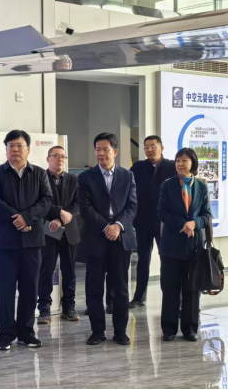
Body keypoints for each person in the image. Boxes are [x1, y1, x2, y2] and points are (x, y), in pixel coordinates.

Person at [0, 130, 53, 351]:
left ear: (28, 149)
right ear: (6, 149)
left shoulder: (39, 173)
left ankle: (26, 333)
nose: (15, 149)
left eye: (19, 145)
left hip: (33, 242)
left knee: (30, 289)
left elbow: (47, 200)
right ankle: (5, 334)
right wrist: (17, 218)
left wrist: (27, 217)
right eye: (11, 146)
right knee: (5, 290)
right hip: (6, 242)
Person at [79, 133, 137, 346]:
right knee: (94, 288)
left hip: (121, 238)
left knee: (120, 287)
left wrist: (118, 226)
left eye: (105, 149)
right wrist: (106, 227)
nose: (101, 153)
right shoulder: (86, 177)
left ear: (115, 152)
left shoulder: (127, 176)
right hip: (96, 237)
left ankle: (120, 331)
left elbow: (132, 206)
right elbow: (85, 208)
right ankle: (98, 331)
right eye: (98, 149)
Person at [158, 148, 212, 342]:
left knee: (192, 290)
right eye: (178, 160)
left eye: (185, 160)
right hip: (171, 246)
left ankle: (190, 328)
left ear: (193, 163)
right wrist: (184, 224)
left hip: (194, 248)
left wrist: (194, 223)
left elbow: (206, 214)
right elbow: (162, 212)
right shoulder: (167, 185)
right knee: (170, 289)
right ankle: (169, 328)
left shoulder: (202, 187)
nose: (180, 164)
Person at [129, 135, 176, 308]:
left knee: (166, 259)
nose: (149, 150)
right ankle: (139, 297)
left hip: (164, 222)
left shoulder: (172, 166)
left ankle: (168, 296)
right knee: (143, 258)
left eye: (153, 146)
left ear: (161, 148)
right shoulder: (138, 167)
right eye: (146, 147)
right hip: (143, 221)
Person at [37, 146, 81, 324]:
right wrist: (55, 216)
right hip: (48, 231)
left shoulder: (74, 179)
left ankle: (68, 307)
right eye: (56, 156)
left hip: (69, 231)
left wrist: (61, 219)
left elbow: (78, 204)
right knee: (46, 271)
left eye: (63, 156)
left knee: (69, 271)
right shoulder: (40, 178)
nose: (60, 159)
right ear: (48, 159)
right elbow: (40, 203)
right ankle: (44, 308)